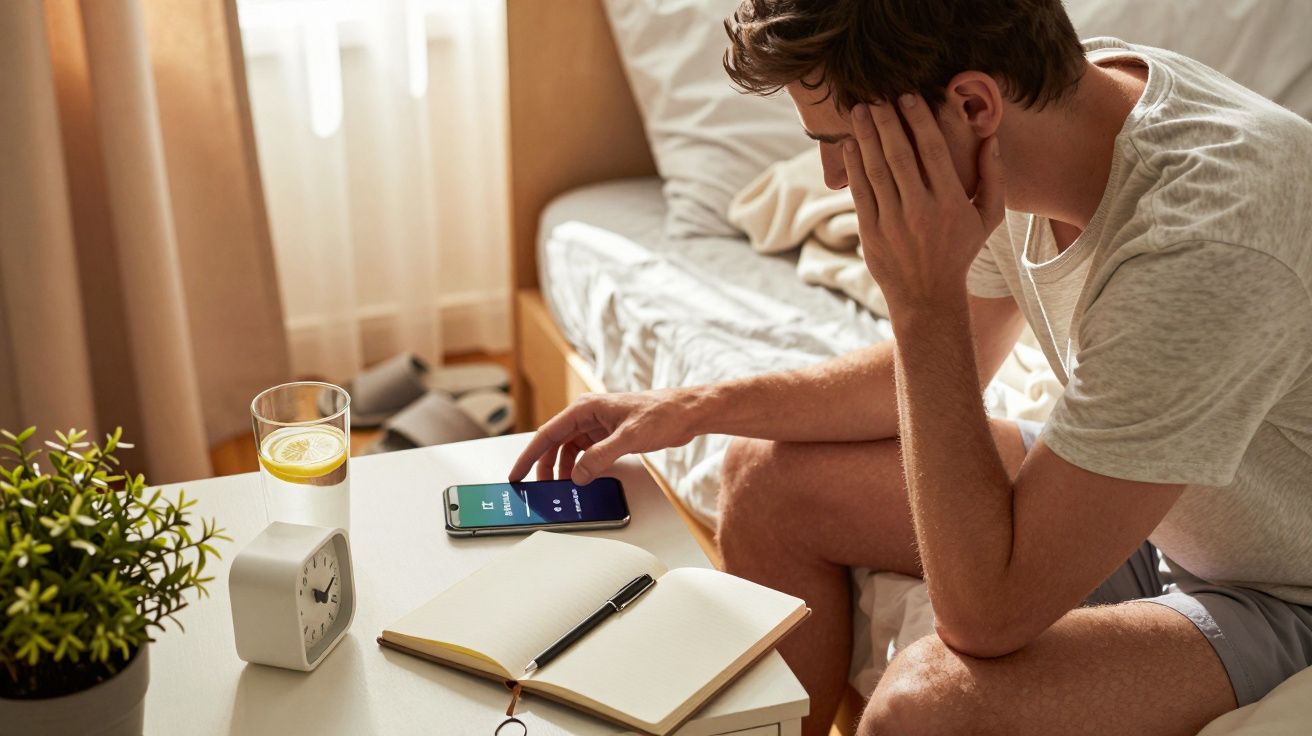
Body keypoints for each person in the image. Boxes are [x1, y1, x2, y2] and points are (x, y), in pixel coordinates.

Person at [510, 1, 1312, 733]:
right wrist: (691, 406)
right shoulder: (1037, 128)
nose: (832, 178)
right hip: (1160, 501)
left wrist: (922, 299)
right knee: (761, 480)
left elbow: (985, 615)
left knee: (924, 705)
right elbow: (920, 373)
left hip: (1284, 587)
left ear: (971, 107)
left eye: (837, 143)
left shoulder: (1202, 241)